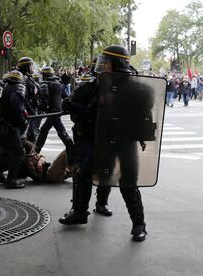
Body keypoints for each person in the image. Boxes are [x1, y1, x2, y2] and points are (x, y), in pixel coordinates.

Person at [59, 45, 148, 242]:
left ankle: (139, 224)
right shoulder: (95, 86)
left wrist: (140, 131)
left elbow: (145, 117)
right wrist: (72, 105)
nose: (101, 67)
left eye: (105, 63)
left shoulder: (135, 88)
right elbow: (82, 112)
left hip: (124, 141)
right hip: (100, 140)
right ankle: (79, 213)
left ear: (117, 64)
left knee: (128, 182)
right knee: (84, 174)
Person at [0, 70, 28, 189]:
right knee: (18, 152)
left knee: (6, 149)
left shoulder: (3, 88)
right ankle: (12, 180)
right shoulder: (17, 88)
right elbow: (16, 105)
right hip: (6, 125)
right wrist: (23, 121)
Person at [35, 66, 73, 154]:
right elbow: (65, 96)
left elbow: (45, 99)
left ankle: (70, 147)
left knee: (59, 130)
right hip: (57, 110)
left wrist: (41, 109)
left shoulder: (45, 84)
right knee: (45, 129)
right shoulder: (58, 83)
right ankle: (37, 149)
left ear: (45, 75)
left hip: (52, 111)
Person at [17, 57, 40, 142]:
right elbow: (24, 99)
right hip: (26, 112)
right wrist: (31, 111)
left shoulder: (28, 77)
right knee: (31, 136)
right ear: (26, 67)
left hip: (31, 110)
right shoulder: (23, 79)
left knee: (31, 135)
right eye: (31, 65)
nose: (32, 67)